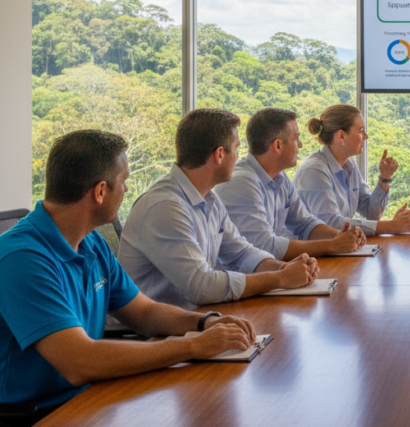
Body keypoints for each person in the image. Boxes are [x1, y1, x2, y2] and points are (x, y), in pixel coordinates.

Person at [0, 130, 258, 422]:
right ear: (100, 192)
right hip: (38, 414)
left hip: (92, 398)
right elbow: (79, 362)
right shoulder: (21, 258)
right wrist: (192, 346)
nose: (126, 189)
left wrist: (203, 322)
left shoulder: (92, 243)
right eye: (123, 181)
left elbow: (144, 312)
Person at [119, 109, 319, 310]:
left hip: (194, 321)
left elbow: (240, 254)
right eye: (237, 148)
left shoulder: (209, 199)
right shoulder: (166, 207)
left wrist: (284, 268)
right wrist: (279, 279)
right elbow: (201, 287)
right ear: (220, 154)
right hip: (154, 336)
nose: (240, 157)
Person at [218, 108, 368, 259]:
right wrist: (332, 245)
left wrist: (340, 236)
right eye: (296, 139)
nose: (300, 145)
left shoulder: (280, 177)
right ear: (278, 145)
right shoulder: (242, 184)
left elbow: (305, 224)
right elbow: (265, 246)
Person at [294, 104, 410, 236]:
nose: (366, 136)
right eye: (360, 131)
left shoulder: (350, 164)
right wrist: (392, 226)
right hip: (307, 254)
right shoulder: (315, 171)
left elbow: (371, 213)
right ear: (341, 136)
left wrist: (385, 178)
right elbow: (331, 224)